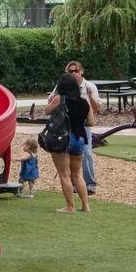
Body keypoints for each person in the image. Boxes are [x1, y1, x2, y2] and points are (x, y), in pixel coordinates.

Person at [49, 60, 103, 195]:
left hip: (82, 125)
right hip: (65, 126)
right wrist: (59, 95)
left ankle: (89, 184)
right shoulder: (61, 87)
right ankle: (74, 184)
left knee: (87, 154)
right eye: (70, 71)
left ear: (81, 72)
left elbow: (96, 109)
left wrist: (90, 97)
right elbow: (50, 102)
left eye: (76, 71)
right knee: (69, 157)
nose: (74, 74)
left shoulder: (90, 87)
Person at [45, 72, 91, 213]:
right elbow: (91, 122)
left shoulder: (59, 98)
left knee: (64, 174)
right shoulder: (84, 102)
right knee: (77, 174)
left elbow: (47, 111)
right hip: (79, 138)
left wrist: (54, 99)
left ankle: (70, 207)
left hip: (63, 139)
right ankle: (85, 206)